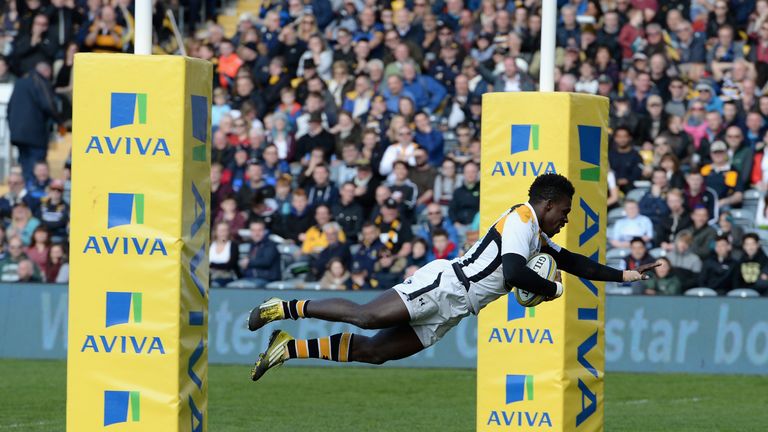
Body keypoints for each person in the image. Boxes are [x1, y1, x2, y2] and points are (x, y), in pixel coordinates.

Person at [244, 174, 658, 381]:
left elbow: (576, 262)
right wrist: (550, 289)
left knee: (375, 353)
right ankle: (282, 307)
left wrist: (628, 273)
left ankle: (288, 348)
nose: (566, 219)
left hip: (456, 309)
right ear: (547, 204)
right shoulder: (521, 220)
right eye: (565, 211)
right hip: (444, 286)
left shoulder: (538, 235)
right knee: (368, 318)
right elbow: (514, 271)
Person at [7, 61, 59, 183]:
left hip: (18, 134)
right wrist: (60, 120)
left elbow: (9, 108)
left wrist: (13, 128)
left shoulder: (20, 82)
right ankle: (34, 191)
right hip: (35, 135)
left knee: (25, 164)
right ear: (47, 71)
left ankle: (28, 188)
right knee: (37, 165)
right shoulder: (40, 82)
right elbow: (48, 105)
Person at [209, 222, 240, 288]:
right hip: (210, 276)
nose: (223, 233)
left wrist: (212, 264)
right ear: (216, 231)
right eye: (220, 230)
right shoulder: (210, 245)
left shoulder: (233, 245)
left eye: (225, 230)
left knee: (214, 284)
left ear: (229, 232)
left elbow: (230, 265)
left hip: (226, 276)